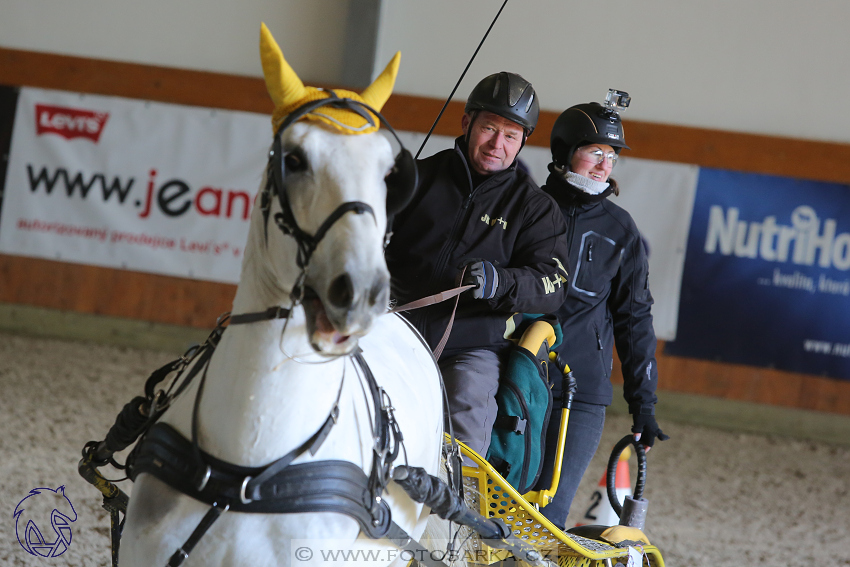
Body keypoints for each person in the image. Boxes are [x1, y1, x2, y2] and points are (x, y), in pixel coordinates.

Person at [385, 72, 569, 458]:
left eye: (510, 135)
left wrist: (500, 282)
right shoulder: (416, 178)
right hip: (390, 328)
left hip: (469, 350)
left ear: (522, 142)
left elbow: (553, 284)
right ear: (467, 123)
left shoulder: (535, 209)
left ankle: (458, 514)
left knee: (466, 436)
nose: (496, 144)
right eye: (489, 128)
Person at [535, 92, 668, 529]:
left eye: (612, 156)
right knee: (497, 500)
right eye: (595, 152)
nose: (604, 164)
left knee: (548, 514)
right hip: (514, 380)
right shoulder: (528, 209)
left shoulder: (620, 230)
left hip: (583, 394)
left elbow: (635, 320)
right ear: (565, 152)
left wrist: (643, 405)